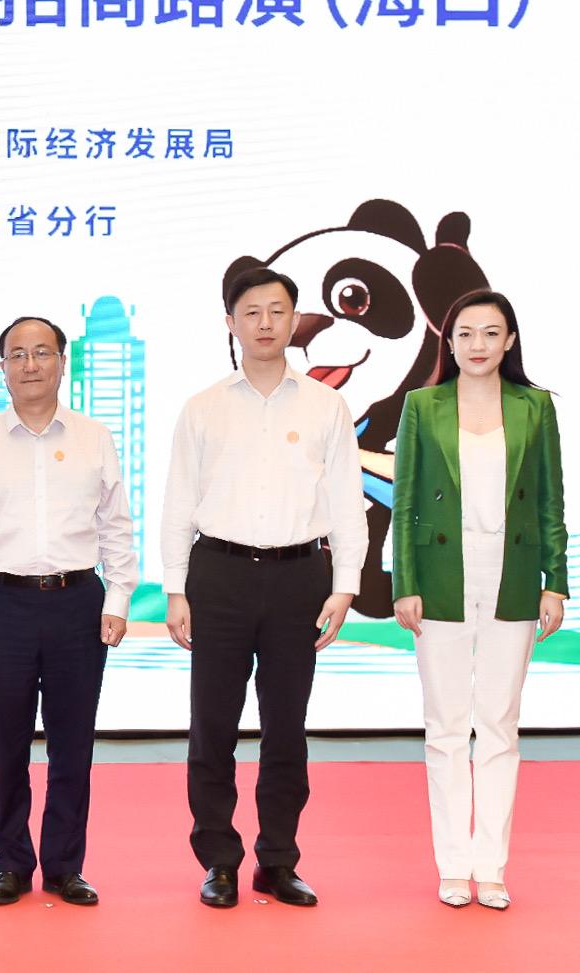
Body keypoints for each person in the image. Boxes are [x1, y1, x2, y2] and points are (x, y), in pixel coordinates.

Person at [160, 266, 368, 909]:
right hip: (218, 575)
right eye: (251, 312)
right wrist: (175, 589)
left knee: (286, 728)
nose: (265, 323)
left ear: (294, 320)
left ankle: (277, 861)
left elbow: (347, 502)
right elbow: (178, 503)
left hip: (298, 578)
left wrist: (345, 586)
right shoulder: (203, 407)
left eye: (278, 311)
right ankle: (218, 861)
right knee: (212, 727)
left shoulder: (326, 405)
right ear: (231, 323)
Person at [0, 315, 137, 907]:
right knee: (5, 745)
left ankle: (64, 866)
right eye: (18, 354)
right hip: (1, 604)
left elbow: (116, 524)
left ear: (62, 362)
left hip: (78, 602)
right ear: (2, 366)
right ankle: (10, 863)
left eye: (42, 353)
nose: (30, 365)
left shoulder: (93, 437)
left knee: (72, 745)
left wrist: (118, 597)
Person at [390, 289, 567, 911]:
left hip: (511, 575)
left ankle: (490, 865)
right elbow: (404, 500)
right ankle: (453, 864)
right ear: (449, 341)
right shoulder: (422, 405)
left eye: (491, 333)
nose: (478, 345)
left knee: (498, 725)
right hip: (440, 576)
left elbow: (550, 499)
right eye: (465, 333)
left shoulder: (535, 406)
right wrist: (404, 583)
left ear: (510, 340)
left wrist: (555, 580)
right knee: (444, 727)